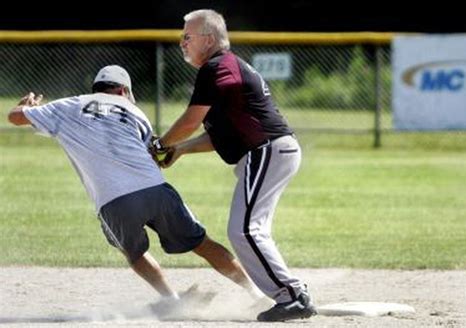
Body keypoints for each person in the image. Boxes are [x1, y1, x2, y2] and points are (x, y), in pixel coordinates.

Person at [7, 64, 261, 313]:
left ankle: (171, 299)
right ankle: (255, 293)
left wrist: (27, 106)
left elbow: (14, 117)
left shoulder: (68, 105)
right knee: (201, 243)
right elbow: (152, 155)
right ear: (123, 91)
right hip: (154, 189)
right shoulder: (134, 112)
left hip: (112, 201)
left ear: (96, 88)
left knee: (134, 253)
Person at [151, 9, 317, 322]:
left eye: (187, 36)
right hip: (268, 152)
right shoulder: (221, 69)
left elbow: (190, 120)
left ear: (208, 38)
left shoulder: (217, 66)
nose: (182, 42)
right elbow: (220, 135)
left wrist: (162, 144)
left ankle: (293, 295)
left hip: (266, 151)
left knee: (244, 230)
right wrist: (182, 150)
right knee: (252, 230)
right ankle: (290, 293)